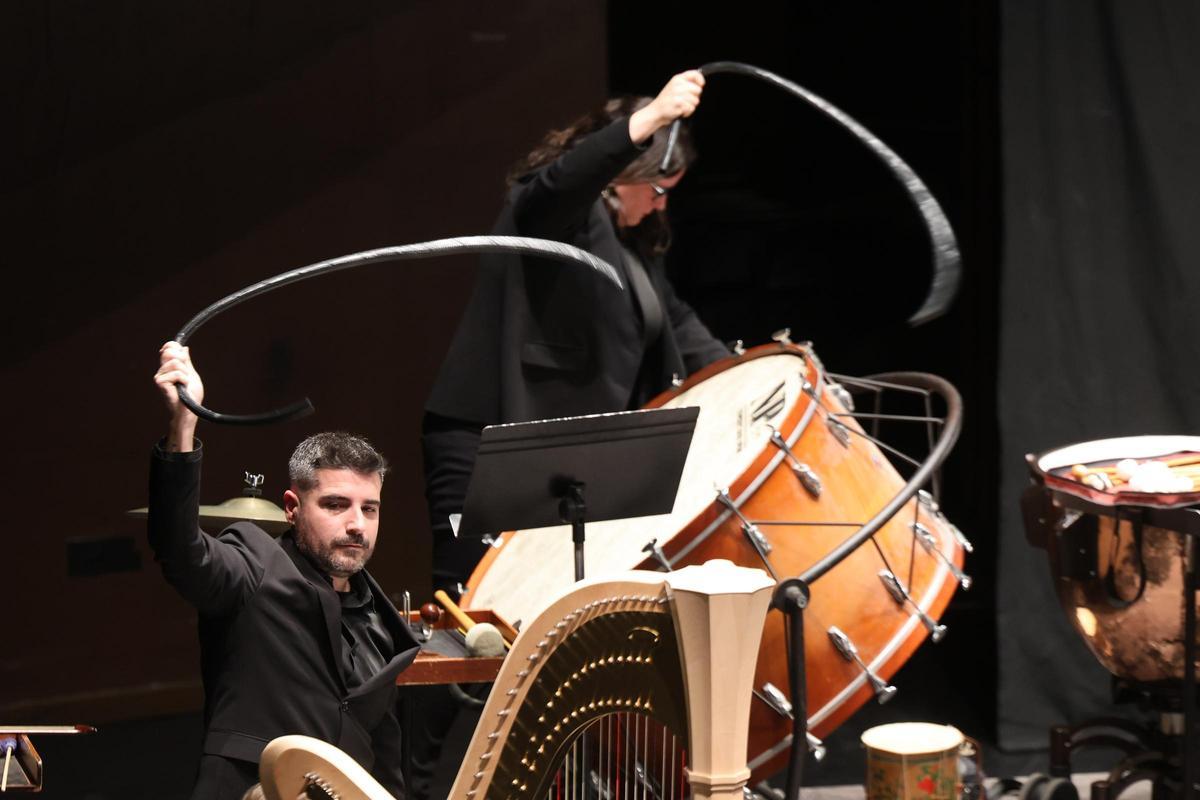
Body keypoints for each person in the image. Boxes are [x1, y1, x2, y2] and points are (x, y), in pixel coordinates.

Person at [422, 70, 730, 599]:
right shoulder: (554, 212)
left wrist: (769, 373)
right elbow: (564, 181)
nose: (660, 205)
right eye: (656, 190)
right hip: (489, 441)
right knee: (474, 617)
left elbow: (683, 331)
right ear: (620, 171)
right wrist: (652, 117)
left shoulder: (634, 252)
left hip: (563, 461)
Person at [150, 341, 420, 800]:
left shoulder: (379, 622)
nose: (356, 524)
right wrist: (184, 423)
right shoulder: (255, 562)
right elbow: (180, 550)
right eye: (336, 505)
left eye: (369, 509)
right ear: (292, 508)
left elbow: (385, 762)